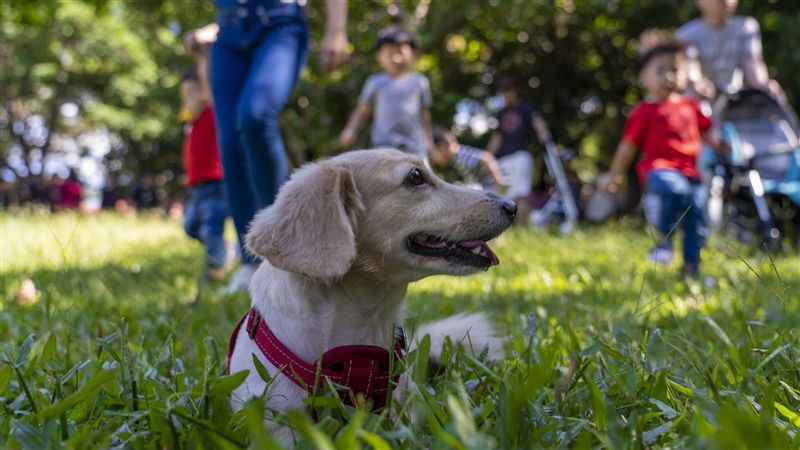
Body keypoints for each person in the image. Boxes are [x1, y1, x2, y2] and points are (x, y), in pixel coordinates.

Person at [185, 0, 350, 293]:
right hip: (228, 33)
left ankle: (283, 243)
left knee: (255, 116)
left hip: (281, 25)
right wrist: (211, 30)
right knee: (230, 144)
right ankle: (251, 264)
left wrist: (336, 29)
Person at [597, 33, 727, 278]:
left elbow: (708, 132)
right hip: (659, 171)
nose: (669, 76)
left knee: (696, 221)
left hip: (692, 175)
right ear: (644, 78)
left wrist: (721, 145)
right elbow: (627, 147)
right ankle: (663, 238)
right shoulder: (644, 111)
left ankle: (691, 267)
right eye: (660, 70)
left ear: (686, 73)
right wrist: (614, 175)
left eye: (675, 70)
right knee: (673, 189)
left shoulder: (691, 106)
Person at [339, 25, 434, 164]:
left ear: (413, 54)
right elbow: (362, 111)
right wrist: (350, 129)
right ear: (379, 57)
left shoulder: (419, 82)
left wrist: (429, 142)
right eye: (390, 53)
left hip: (415, 148)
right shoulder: (375, 82)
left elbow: (425, 115)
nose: (396, 58)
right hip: (383, 148)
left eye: (401, 52)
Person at [676, 0, 785, 102]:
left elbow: (752, 66)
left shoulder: (746, 27)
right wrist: (698, 82)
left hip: (733, 103)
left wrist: (765, 86)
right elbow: (691, 66)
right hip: (698, 102)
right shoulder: (685, 34)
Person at [179, 65, 228, 281]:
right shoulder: (193, 124)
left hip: (215, 184)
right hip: (196, 188)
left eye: (191, 95)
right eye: (184, 97)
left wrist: (201, 60)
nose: (186, 102)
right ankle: (225, 249)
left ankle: (215, 269)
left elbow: (209, 86)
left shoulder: (210, 114)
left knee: (211, 229)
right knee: (190, 227)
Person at [485, 75, 553, 225]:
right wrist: (487, 156)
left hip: (521, 155)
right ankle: (504, 229)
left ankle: (522, 229)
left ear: (514, 90)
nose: (505, 95)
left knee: (521, 195)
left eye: (507, 91)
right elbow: (497, 137)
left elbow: (538, 124)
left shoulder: (526, 108)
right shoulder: (501, 113)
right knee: (501, 195)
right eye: (502, 92)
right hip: (503, 158)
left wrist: (546, 139)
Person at [430, 127, 508, 192]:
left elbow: (485, 158)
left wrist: (499, 181)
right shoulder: (456, 159)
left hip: (493, 185)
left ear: (442, 147)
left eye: (433, 153)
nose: (433, 159)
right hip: (489, 186)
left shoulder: (460, 155)